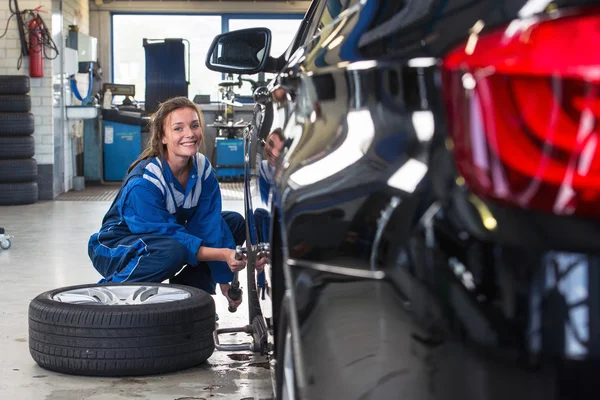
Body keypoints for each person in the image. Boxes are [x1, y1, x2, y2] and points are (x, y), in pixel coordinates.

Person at [88, 96, 246, 309]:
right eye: (178, 129)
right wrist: (224, 254)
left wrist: (224, 280)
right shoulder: (144, 183)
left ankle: (191, 299)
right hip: (116, 246)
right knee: (172, 250)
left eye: (194, 126)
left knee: (232, 222)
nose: (189, 134)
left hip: (165, 239)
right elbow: (171, 236)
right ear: (162, 136)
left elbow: (208, 223)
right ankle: (109, 299)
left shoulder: (202, 169)